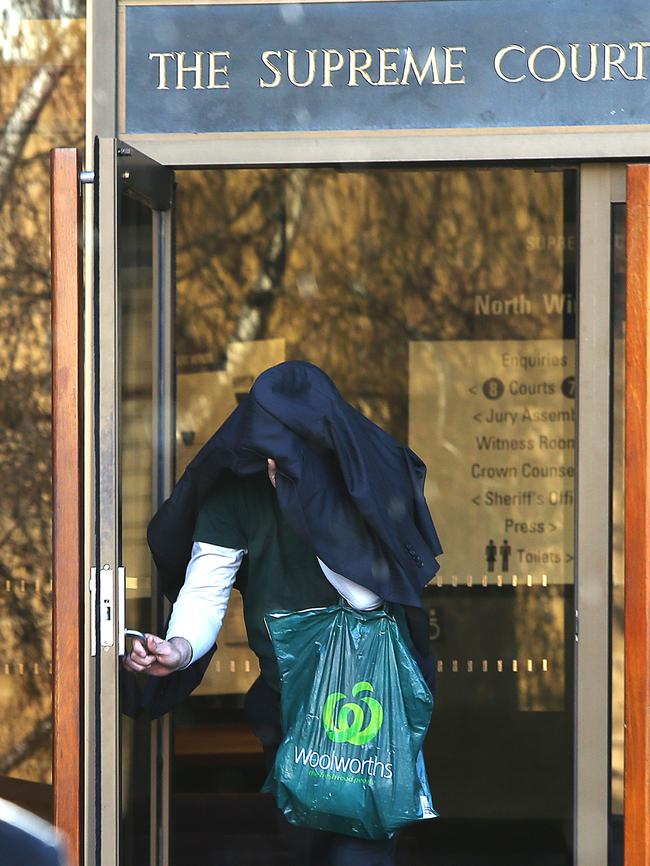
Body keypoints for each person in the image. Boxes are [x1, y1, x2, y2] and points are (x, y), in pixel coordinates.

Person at [125, 361, 443, 865]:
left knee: (357, 855)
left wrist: (309, 507)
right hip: (285, 703)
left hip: (373, 703)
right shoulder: (235, 491)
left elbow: (370, 599)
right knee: (298, 849)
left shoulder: (367, 477)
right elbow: (207, 588)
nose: (274, 461)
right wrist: (179, 647)